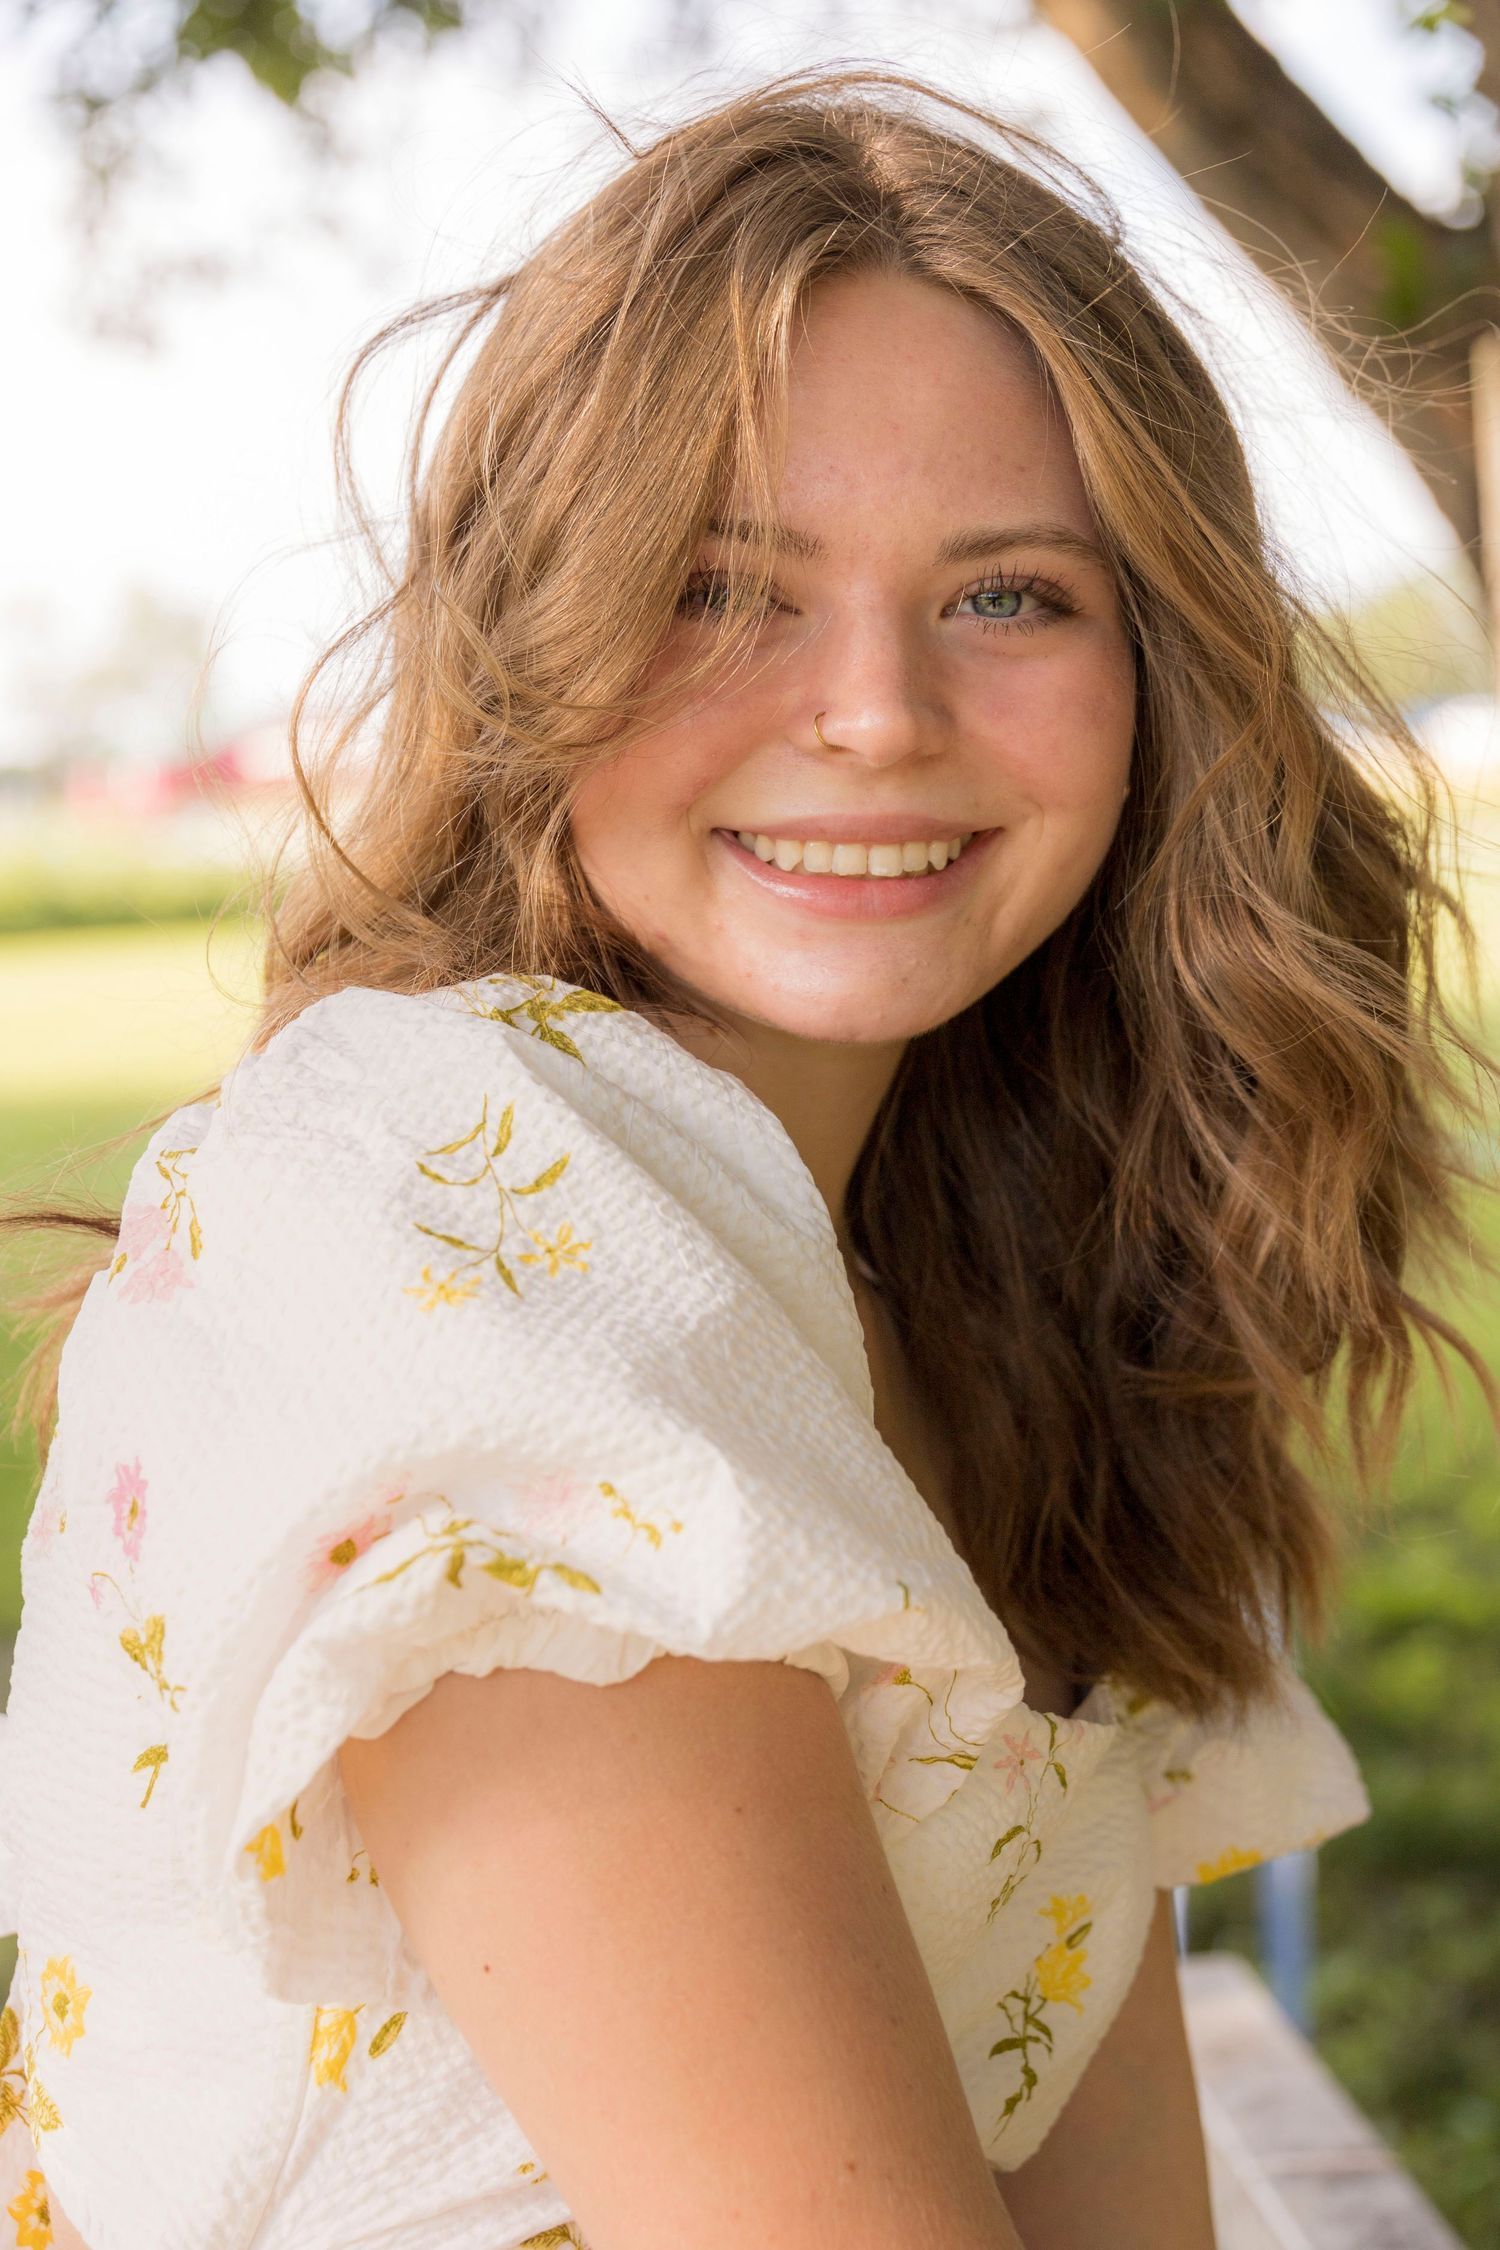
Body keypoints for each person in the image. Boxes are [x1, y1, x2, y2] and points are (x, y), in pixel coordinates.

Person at [0, 62, 1493, 2250]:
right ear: (538, 636)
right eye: (724, 587)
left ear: (1156, 670)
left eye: (1008, 596)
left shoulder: (1009, 1299)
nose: (875, 709)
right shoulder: (451, 1202)